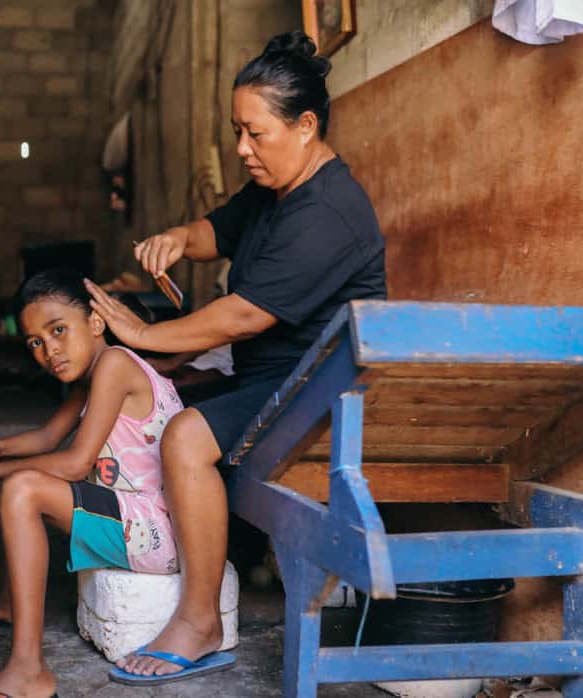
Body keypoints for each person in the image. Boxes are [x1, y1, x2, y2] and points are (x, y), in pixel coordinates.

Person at [83, 30, 387, 685]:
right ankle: (138, 552)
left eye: (255, 133)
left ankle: (199, 621)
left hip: (320, 395)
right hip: (272, 382)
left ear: (305, 126)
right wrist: (173, 240)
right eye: (236, 131)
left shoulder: (329, 210)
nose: (242, 148)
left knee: (186, 435)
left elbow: (242, 315)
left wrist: (142, 334)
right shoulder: (275, 191)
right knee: (148, 400)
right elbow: (215, 231)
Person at [0, 269, 185, 698]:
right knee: (16, 479)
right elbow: (46, 438)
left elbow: (75, 463)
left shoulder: (115, 363)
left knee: (21, 486)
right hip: (129, 515)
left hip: (152, 531)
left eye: (58, 330)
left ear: (95, 323)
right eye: (36, 342)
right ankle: (6, 601)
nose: (48, 350)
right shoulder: (94, 373)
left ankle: (28, 672)